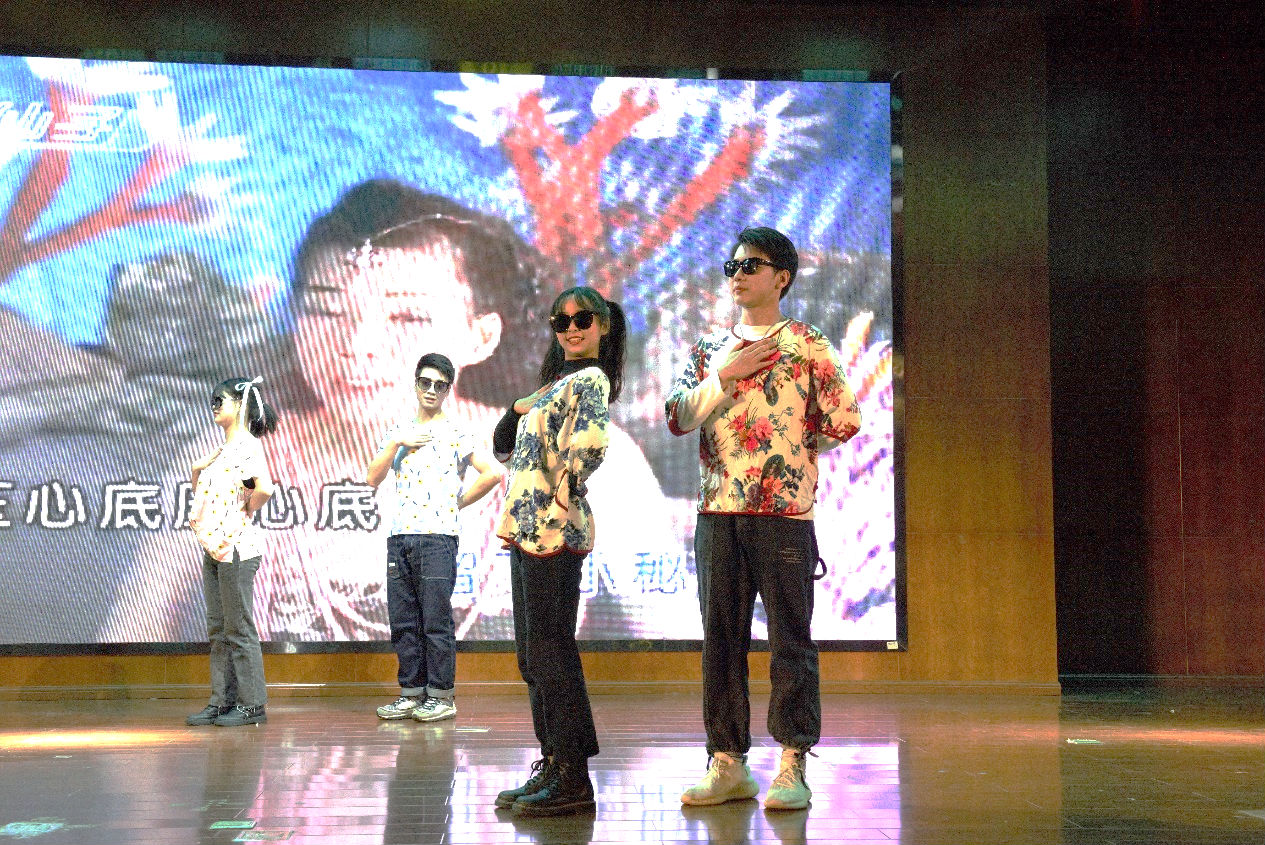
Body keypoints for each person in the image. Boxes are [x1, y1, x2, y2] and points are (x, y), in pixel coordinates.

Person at [666, 227, 861, 810]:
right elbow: (676, 417)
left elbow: (845, 419)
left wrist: (793, 452)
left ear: (782, 277)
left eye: (750, 265)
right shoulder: (709, 348)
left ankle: (793, 762)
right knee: (720, 640)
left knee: (790, 640)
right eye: (732, 266)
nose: (738, 274)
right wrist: (725, 375)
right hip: (718, 511)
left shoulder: (808, 344)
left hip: (784, 514)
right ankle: (727, 762)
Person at [491, 287, 626, 817]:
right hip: (527, 527)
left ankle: (573, 774)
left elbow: (591, 444)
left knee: (551, 652)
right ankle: (553, 762)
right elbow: (503, 447)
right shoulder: (554, 387)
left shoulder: (591, 379)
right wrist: (519, 406)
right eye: (561, 321)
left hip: (553, 527)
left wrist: (566, 491)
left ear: (603, 326)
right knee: (533, 655)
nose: (571, 328)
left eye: (583, 319)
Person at [367, 352, 504, 723]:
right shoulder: (399, 430)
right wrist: (396, 442)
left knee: (435, 620)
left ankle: (441, 696)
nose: (431, 390)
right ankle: (411, 693)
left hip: (438, 537)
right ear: (415, 384)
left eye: (439, 385)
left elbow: (492, 473)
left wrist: (458, 502)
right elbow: (372, 477)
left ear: (448, 390)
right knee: (403, 620)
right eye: (425, 382)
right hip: (400, 536)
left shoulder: (457, 432)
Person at [184, 376, 279, 727]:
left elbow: (265, 489)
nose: (213, 406)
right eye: (212, 401)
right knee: (219, 628)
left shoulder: (246, 446)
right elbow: (207, 497)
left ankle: (252, 705)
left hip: (237, 547)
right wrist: (196, 471)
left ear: (239, 404)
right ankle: (221, 701)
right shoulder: (225, 449)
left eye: (219, 400)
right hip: (215, 547)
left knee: (238, 628)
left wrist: (245, 511)